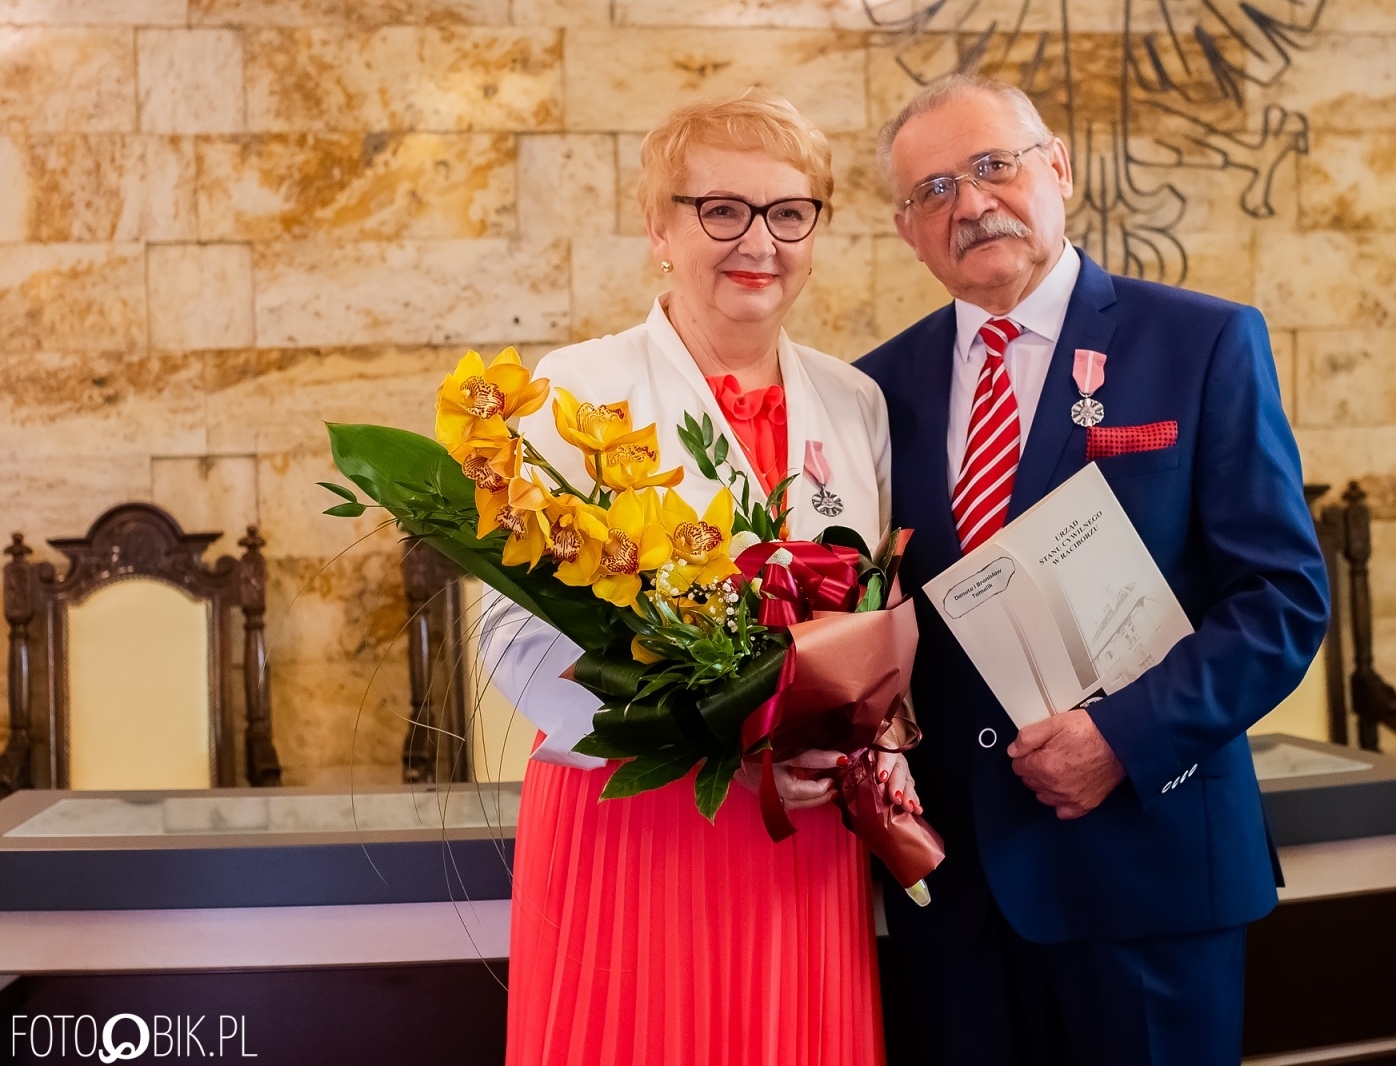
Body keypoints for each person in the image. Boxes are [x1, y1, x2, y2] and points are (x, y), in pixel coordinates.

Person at [856, 74, 1330, 1065]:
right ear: (907, 231)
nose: (970, 203)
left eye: (993, 165)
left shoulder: (1202, 342)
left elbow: (1281, 600)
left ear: (1059, 168)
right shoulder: (875, 391)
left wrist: (1122, 735)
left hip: (1147, 872)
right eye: (933, 190)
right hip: (955, 898)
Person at [478, 88, 917, 1066]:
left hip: (803, 829)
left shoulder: (855, 403)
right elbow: (511, 637)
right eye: (721, 209)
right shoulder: (574, 391)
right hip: (637, 820)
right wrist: (713, 745)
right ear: (657, 229)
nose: (758, 241)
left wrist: (873, 740)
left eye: (789, 212)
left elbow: (877, 613)